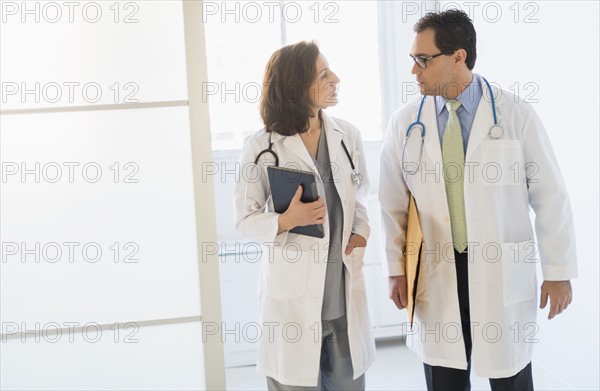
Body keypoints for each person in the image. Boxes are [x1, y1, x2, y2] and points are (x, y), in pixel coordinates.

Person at [379, 10, 577, 391]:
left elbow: (550, 195)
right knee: (445, 377)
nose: (414, 70)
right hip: (436, 269)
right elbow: (392, 205)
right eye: (412, 60)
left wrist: (558, 270)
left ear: (458, 57)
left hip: (500, 269)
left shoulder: (515, 114)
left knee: (511, 377)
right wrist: (394, 267)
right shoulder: (405, 123)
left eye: (424, 60)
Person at [234, 41, 375, 390]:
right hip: (292, 304)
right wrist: (285, 220)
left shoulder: (347, 136)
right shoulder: (262, 146)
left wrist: (361, 231)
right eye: (324, 74)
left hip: (342, 301)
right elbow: (243, 221)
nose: (336, 79)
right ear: (297, 86)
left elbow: (360, 196)